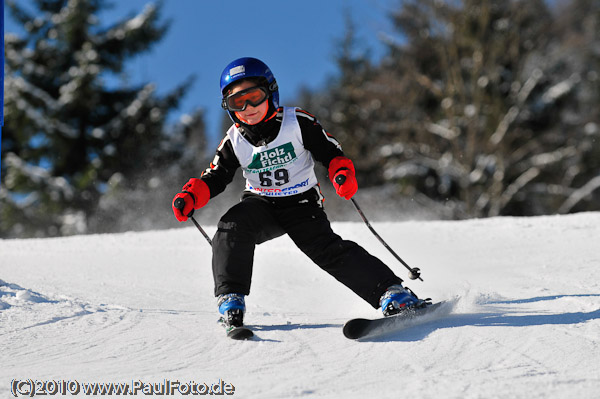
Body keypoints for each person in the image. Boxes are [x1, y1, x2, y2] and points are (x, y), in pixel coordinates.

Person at [172, 57, 424, 328]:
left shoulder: (296, 122)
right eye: (237, 103)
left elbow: (330, 151)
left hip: (302, 203)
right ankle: (230, 299)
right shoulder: (234, 139)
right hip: (260, 204)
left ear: (271, 92)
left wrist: (341, 173)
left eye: (254, 97)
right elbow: (216, 176)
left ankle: (392, 293)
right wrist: (191, 196)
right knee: (231, 227)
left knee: (327, 249)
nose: (248, 108)